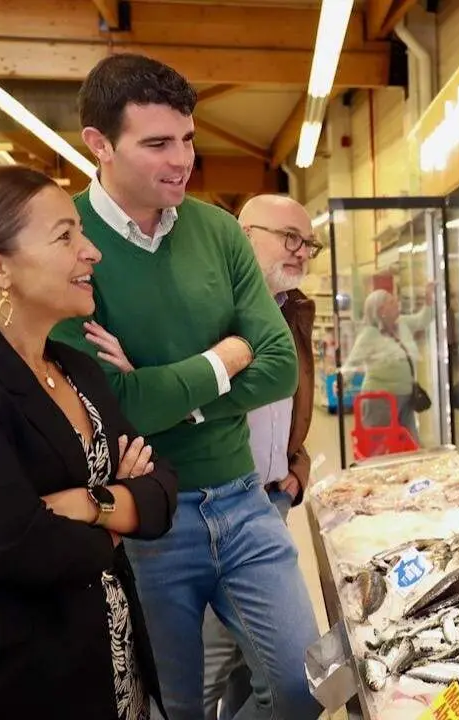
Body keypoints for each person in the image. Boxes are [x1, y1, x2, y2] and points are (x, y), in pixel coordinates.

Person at [49, 54, 312, 720]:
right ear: (99, 144)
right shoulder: (70, 244)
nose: (181, 160)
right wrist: (224, 357)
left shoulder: (218, 230)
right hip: (149, 518)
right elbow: (112, 407)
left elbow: (280, 364)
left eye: (188, 139)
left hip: (245, 499)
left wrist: (172, 395)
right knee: (176, 707)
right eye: (157, 143)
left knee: (306, 685)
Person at [0, 165, 178, 719]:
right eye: (65, 236)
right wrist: (120, 507)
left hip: (112, 671)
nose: (91, 251)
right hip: (11, 685)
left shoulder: (77, 370)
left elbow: (163, 488)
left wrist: (87, 505)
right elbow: (22, 547)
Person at [84, 195, 324, 720]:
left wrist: (296, 467)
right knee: (185, 696)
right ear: (244, 233)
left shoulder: (292, 310)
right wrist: (226, 359)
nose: (303, 252)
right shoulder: (202, 297)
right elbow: (126, 406)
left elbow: (282, 384)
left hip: (256, 501)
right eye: (291, 238)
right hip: (162, 510)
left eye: (310, 243)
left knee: (300, 678)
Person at [342, 285, 435, 446]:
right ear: (380, 310)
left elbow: (422, 320)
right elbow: (352, 363)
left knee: (411, 443)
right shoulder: (369, 334)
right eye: (392, 302)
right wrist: (341, 382)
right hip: (380, 401)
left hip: (406, 397)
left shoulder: (403, 324)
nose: (397, 303)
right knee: (379, 445)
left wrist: (428, 300)